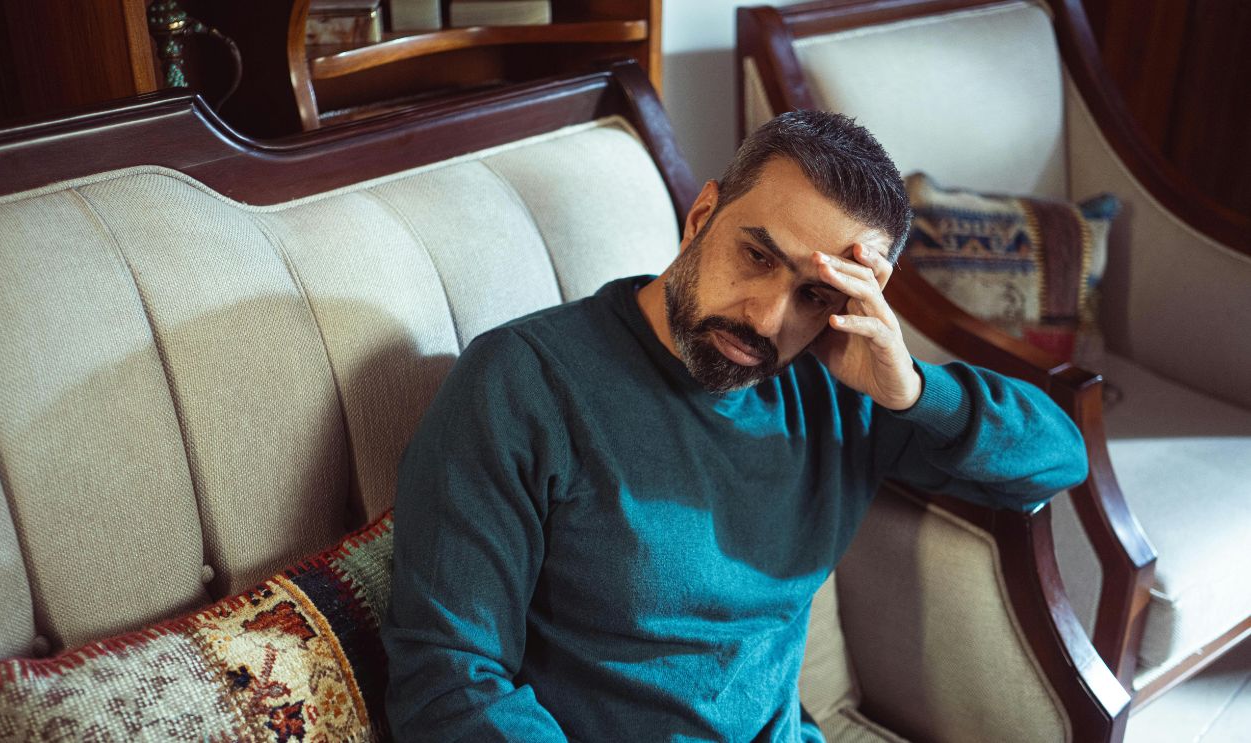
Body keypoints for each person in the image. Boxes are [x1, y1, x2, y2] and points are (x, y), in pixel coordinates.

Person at [381, 111, 1088, 741]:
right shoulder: (523, 382)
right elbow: (447, 679)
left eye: (814, 294)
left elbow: (1058, 459)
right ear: (702, 216)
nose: (766, 318)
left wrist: (914, 390)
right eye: (757, 256)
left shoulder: (841, 392)